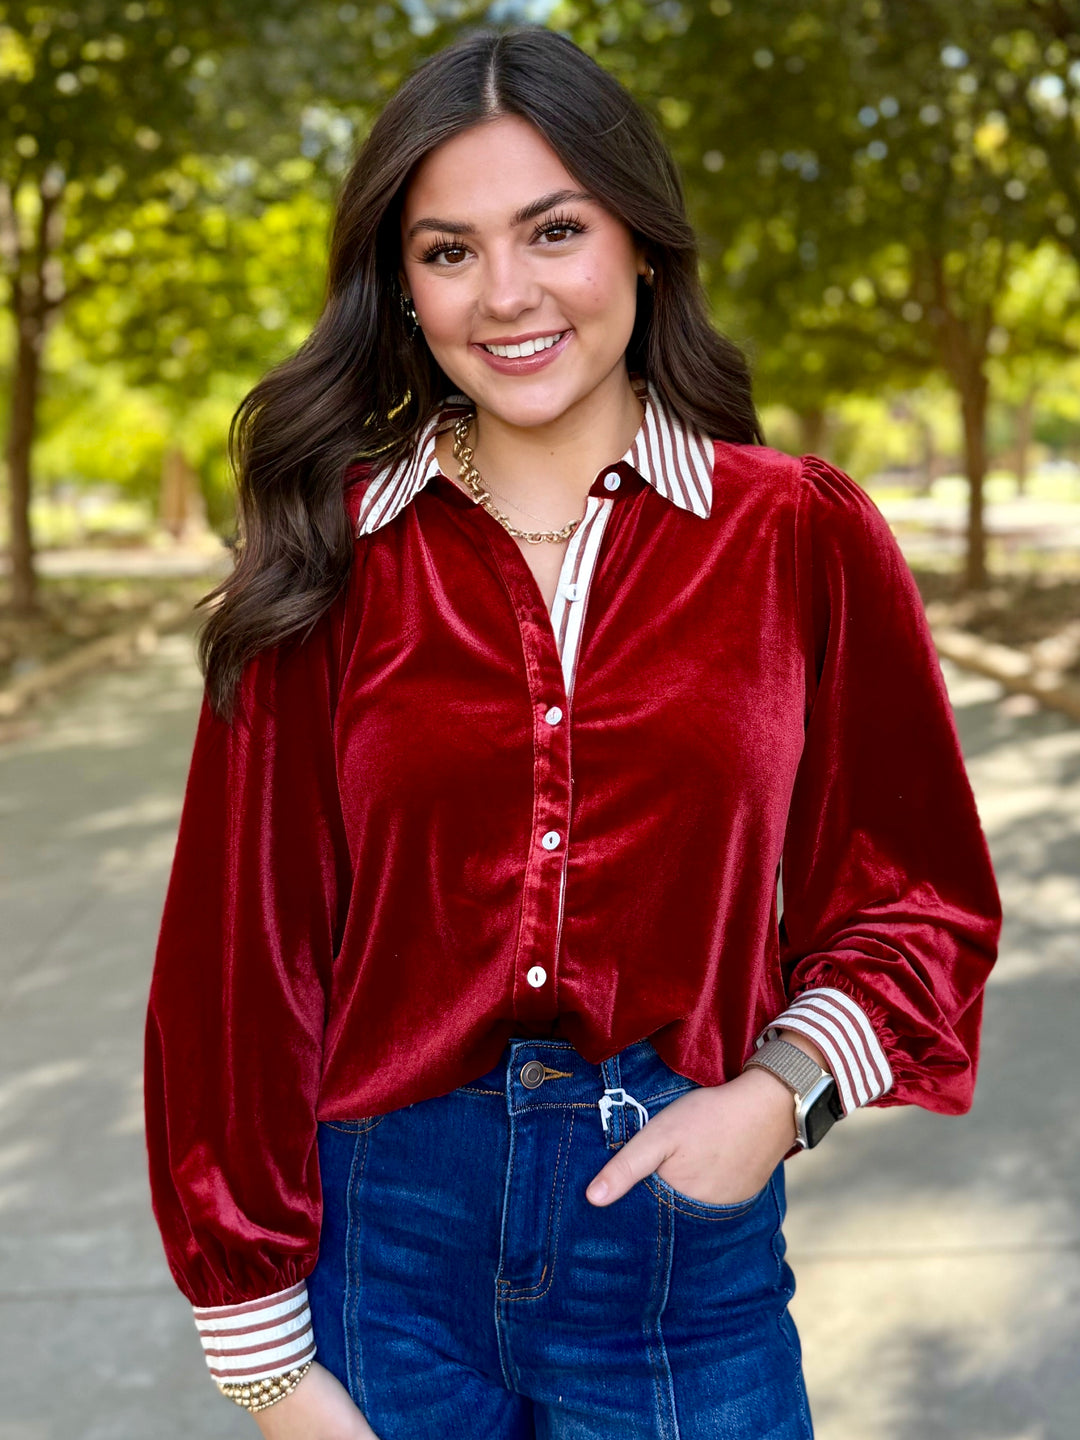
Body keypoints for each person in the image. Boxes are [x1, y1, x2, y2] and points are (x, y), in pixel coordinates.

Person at [143, 25, 1002, 1440]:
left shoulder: (799, 535)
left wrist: (779, 1098)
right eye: (448, 250)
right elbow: (238, 970)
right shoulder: (333, 557)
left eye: (555, 230)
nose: (508, 294)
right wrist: (269, 1369)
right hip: (385, 1257)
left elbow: (918, 900)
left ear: (643, 245)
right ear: (399, 288)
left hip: (679, 1262)